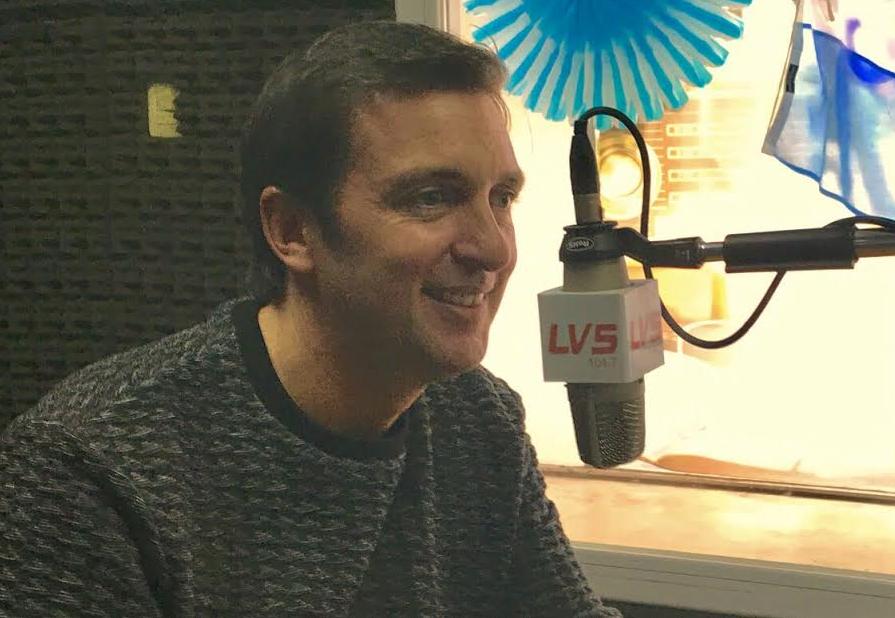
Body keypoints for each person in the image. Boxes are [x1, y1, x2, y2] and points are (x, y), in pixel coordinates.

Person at [0, 20, 622, 617]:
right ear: (293, 230)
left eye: (501, 198)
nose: (493, 249)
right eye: (431, 197)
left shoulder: (479, 417)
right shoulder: (89, 470)